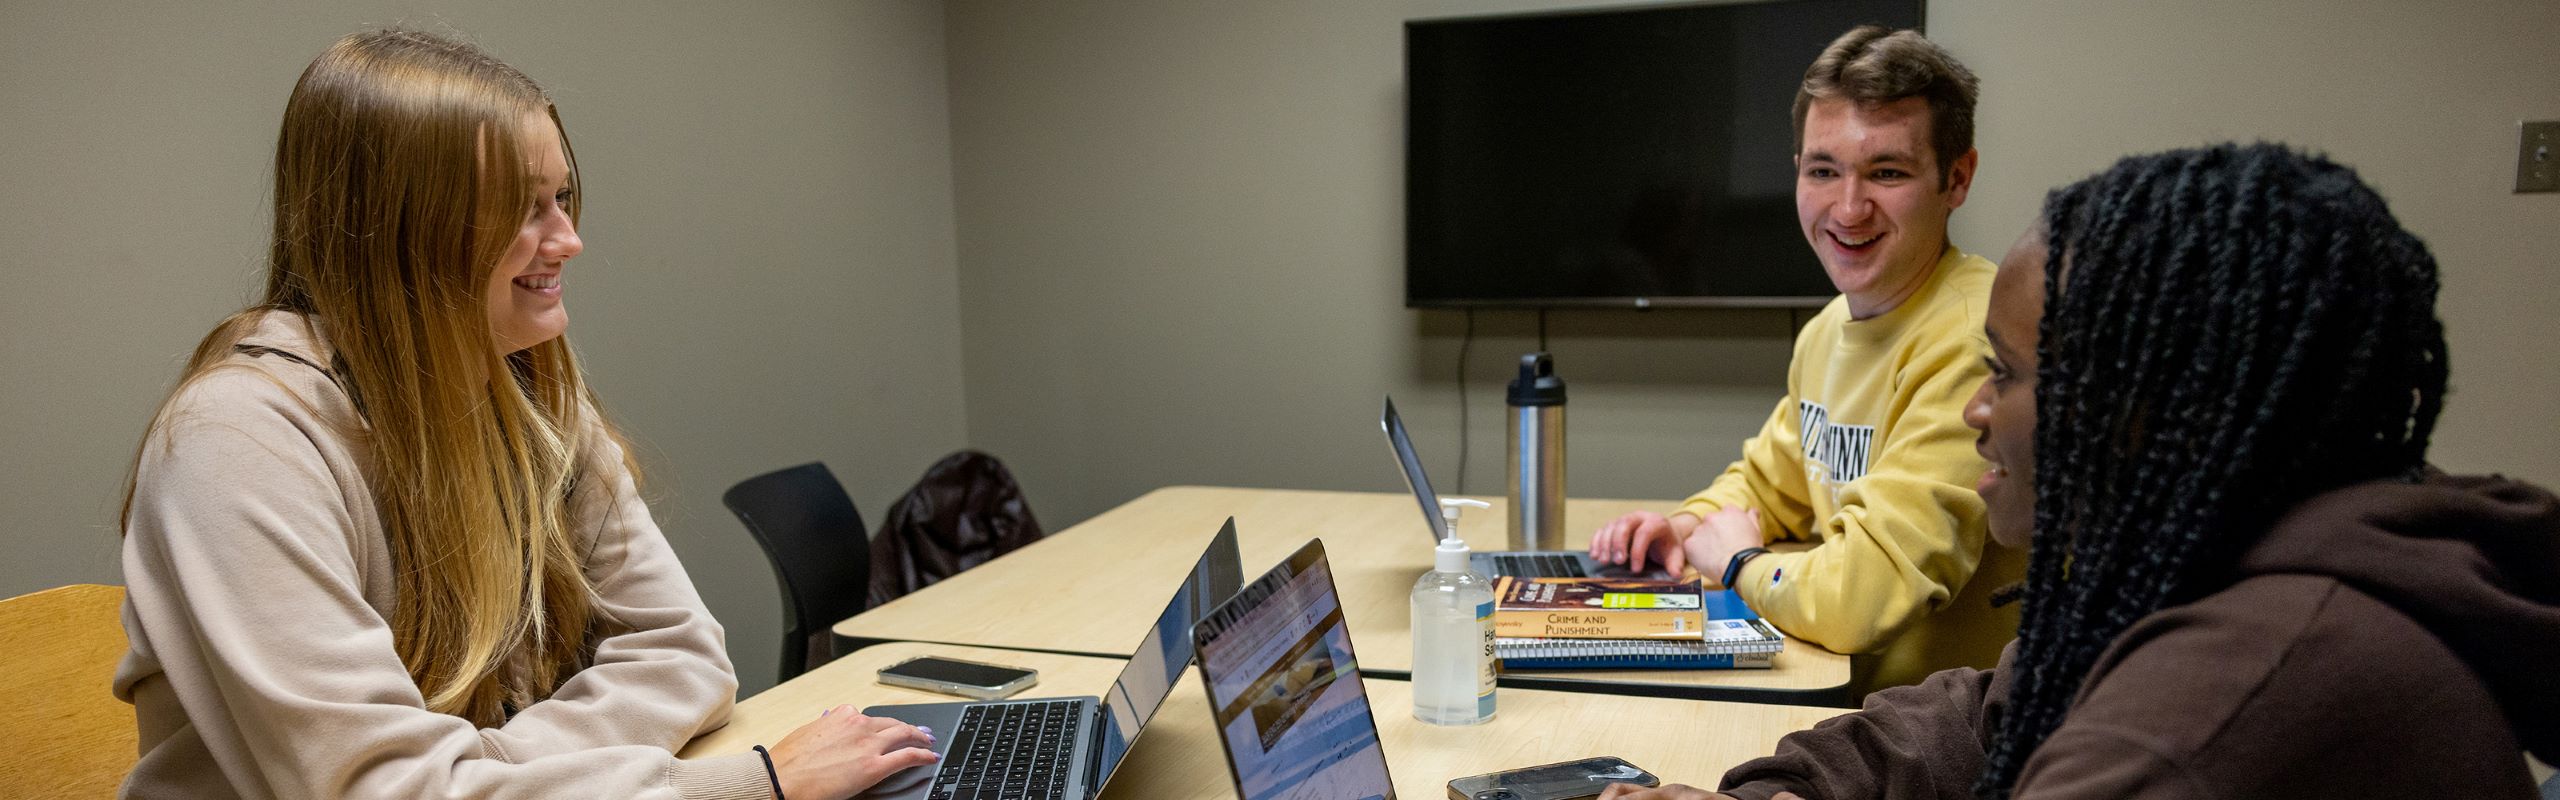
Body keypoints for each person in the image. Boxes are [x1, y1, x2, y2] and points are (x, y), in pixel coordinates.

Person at [113, 30, 934, 799]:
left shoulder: (527, 387)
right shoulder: (233, 446)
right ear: (399, 230)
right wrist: (748, 783)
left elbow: (684, 653)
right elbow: (386, 789)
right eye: (523, 207)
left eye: (564, 197)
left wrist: (482, 773)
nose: (568, 238)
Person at [1599, 143, 2560, 799]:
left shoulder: (2209, 713)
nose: (1975, 410)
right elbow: (2000, 705)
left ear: (2154, 411)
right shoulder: (2224, 563)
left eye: (2006, 375)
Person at [1590, 26, 2022, 693]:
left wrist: (1737, 562)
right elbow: (1773, 484)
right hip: (1847, 702)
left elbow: (1860, 598)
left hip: (1946, 745)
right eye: (1824, 170)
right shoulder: (1829, 329)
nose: (1849, 209)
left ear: (1956, 178)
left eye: (1887, 171)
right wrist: (1682, 525)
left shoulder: (1976, 343)